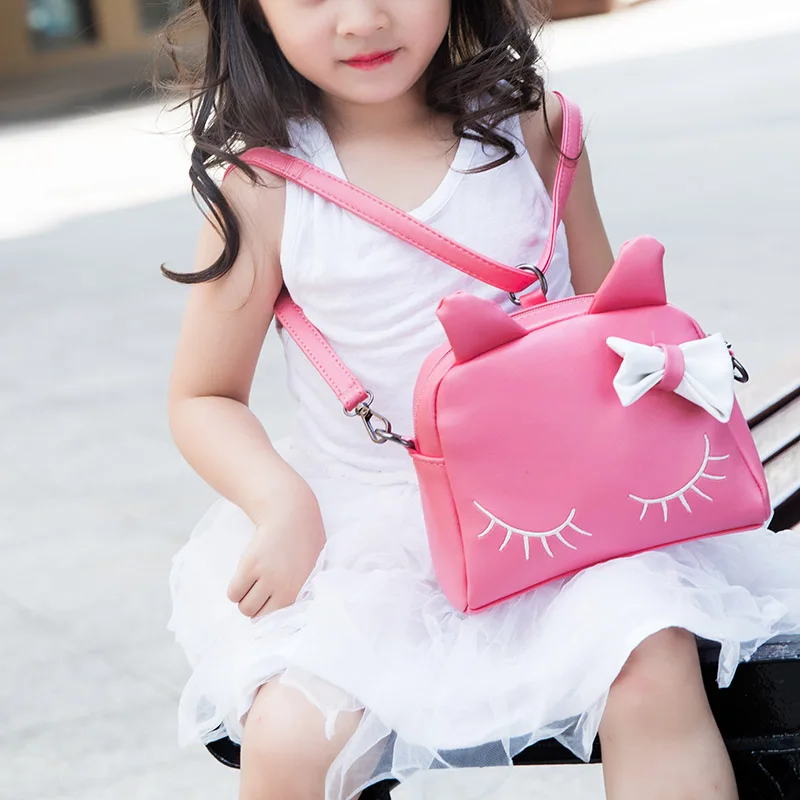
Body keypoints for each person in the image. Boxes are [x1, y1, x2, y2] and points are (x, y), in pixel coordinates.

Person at [162, 2, 800, 799]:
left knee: (651, 662)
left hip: (568, 515)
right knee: (290, 739)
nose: (362, 19)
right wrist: (280, 503)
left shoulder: (533, 127)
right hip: (376, 538)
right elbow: (203, 394)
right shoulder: (265, 187)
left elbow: (610, 317)